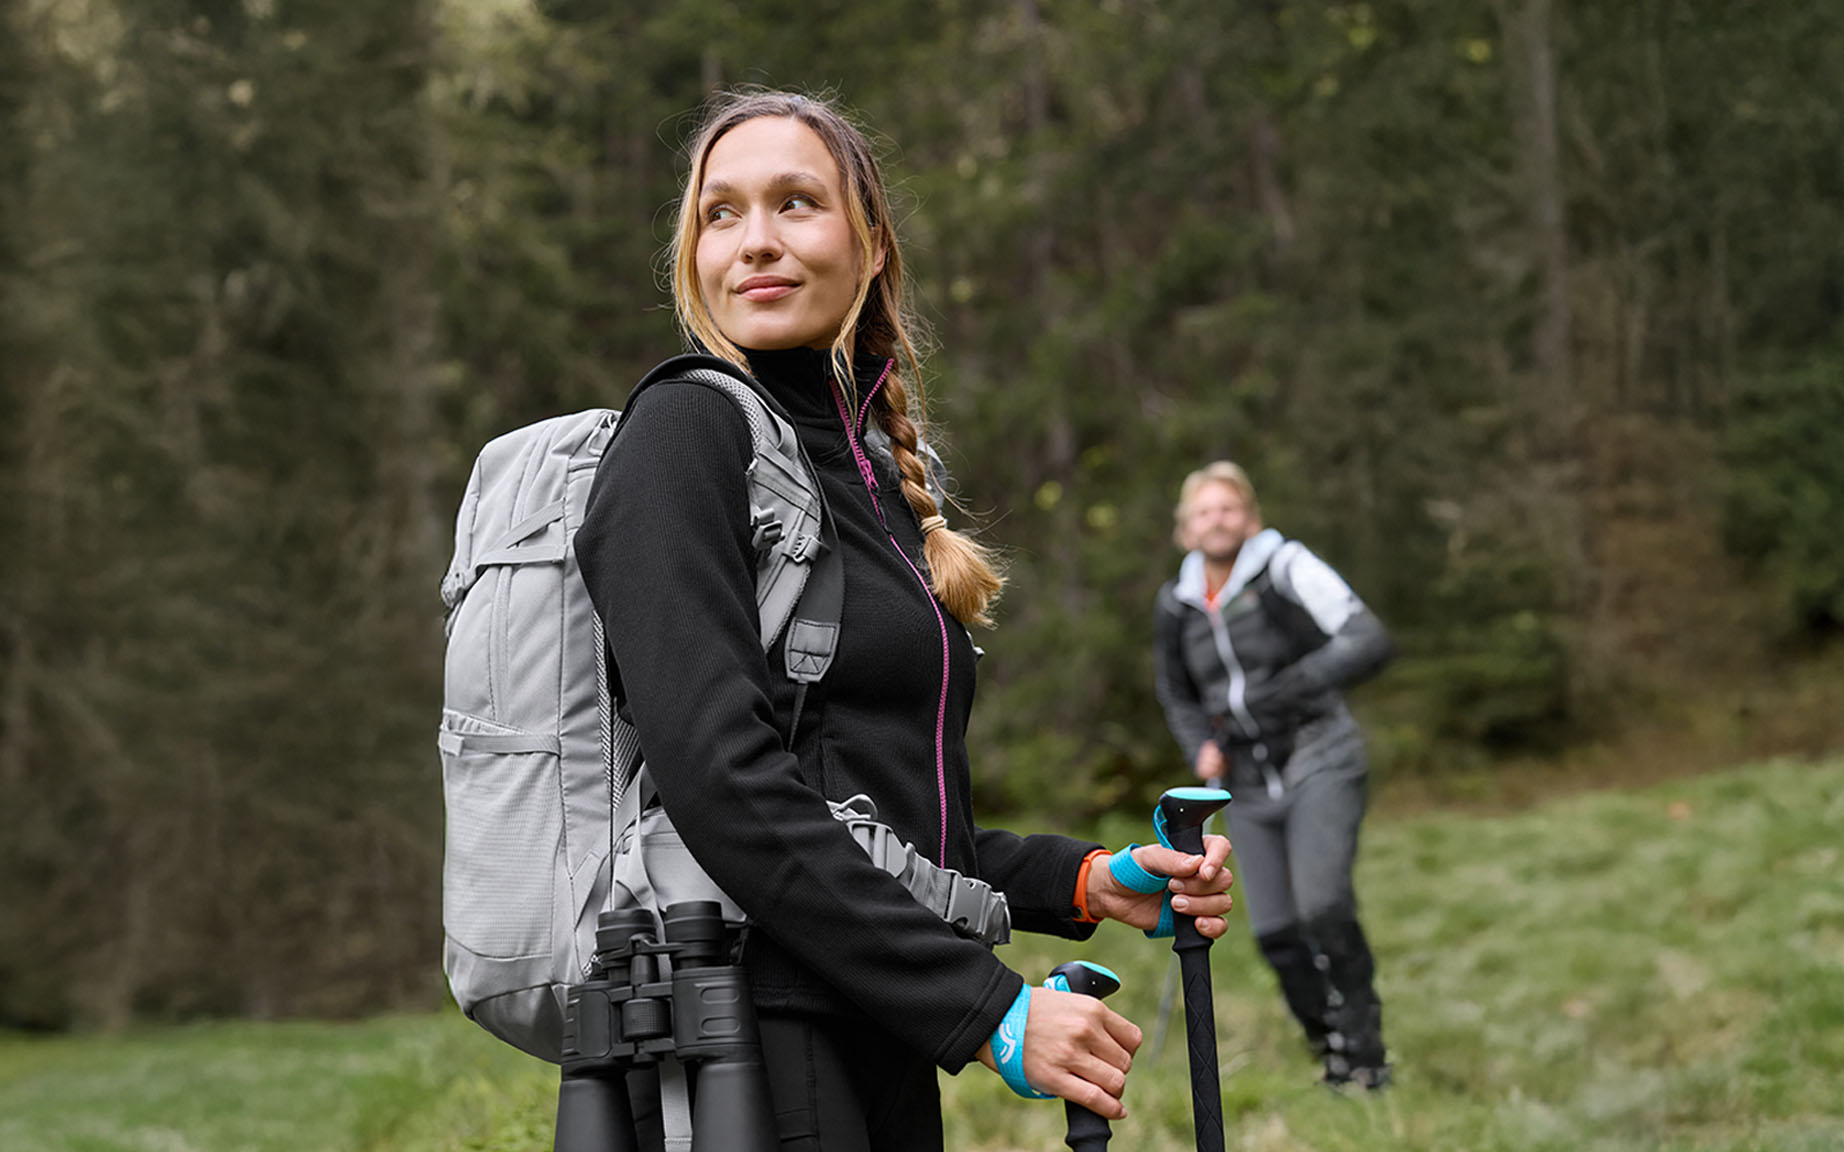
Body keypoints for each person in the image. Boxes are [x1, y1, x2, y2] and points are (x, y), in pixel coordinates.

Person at [572, 89, 1236, 1151]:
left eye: (796, 204)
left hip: (859, 1017)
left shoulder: (856, 471)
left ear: (871, 245)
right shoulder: (683, 436)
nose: (755, 243)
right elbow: (723, 782)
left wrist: (1085, 882)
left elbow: (882, 818)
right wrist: (991, 1010)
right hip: (742, 1035)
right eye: (721, 214)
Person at [1151, 461, 1394, 1091]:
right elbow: (1176, 693)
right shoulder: (1175, 605)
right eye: (1203, 511)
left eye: (1228, 507)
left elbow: (1366, 638)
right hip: (1246, 782)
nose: (1217, 519)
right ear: (1185, 530)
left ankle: (1366, 1050)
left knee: (1325, 905)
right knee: (1276, 932)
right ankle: (1329, 1046)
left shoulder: (1285, 567)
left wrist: (1282, 694)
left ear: (1250, 517)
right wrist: (1199, 742)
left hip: (1319, 753)